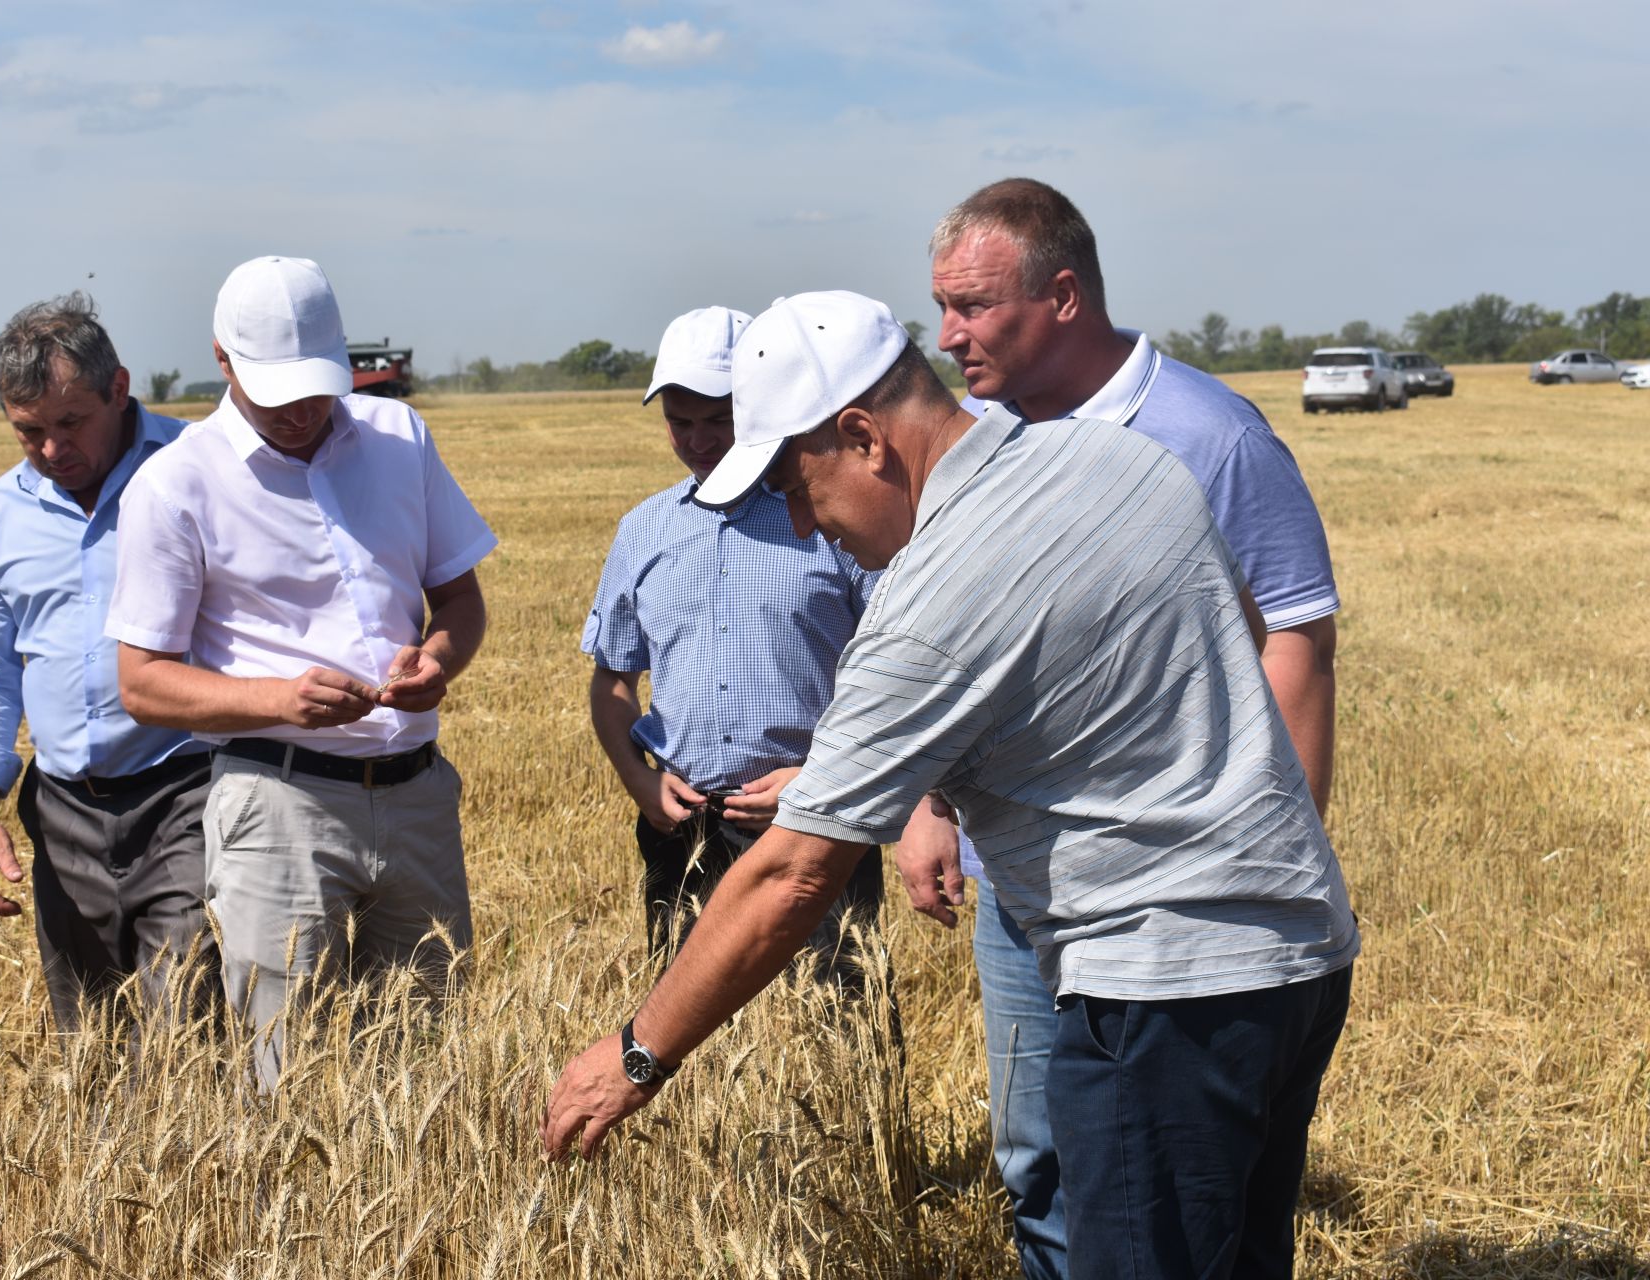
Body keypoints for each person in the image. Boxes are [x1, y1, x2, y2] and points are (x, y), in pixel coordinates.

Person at [542, 291, 1359, 1280]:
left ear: (863, 436)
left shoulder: (930, 603)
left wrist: (635, 1053)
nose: (800, 520)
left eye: (797, 484)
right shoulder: (1115, 459)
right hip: (1300, 954)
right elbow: (1241, 625)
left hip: (1160, 994)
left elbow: (795, 872)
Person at [898, 177, 1344, 1277]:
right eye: (940, 307)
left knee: (1169, 1180)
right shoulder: (986, 447)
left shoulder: (1210, 434)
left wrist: (1261, 843)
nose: (948, 336)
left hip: (1168, 898)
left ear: (1062, 296)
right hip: (1022, 876)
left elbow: (1297, 640)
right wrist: (926, 803)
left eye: (972, 306)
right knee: (1042, 1148)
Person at [106, 256, 495, 1092]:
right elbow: (142, 681)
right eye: (276, 393)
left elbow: (461, 599)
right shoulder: (175, 484)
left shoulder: (400, 439)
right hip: (277, 803)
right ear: (223, 361)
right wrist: (278, 700)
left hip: (417, 792)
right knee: (293, 1073)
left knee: (431, 1065)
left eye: (316, 387)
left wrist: (437, 661)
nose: (302, 412)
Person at [583, 305, 886, 982]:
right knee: (684, 1052)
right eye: (680, 422)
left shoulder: (830, 517)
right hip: (683, 830)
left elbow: (893, 675)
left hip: (815, 819)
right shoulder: (644, 530)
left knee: (839, 1037)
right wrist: (639, 782)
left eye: (717, 420)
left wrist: (820, 780)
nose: (698, 440)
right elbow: (612, 683)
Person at [0, 292, 215, 1037]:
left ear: (119, 389)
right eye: (29, 432)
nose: (54, 450)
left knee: (185, 1033)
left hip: (190, 791)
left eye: (70, 424)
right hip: (61, 811)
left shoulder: (203, 472)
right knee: (90, 1042)